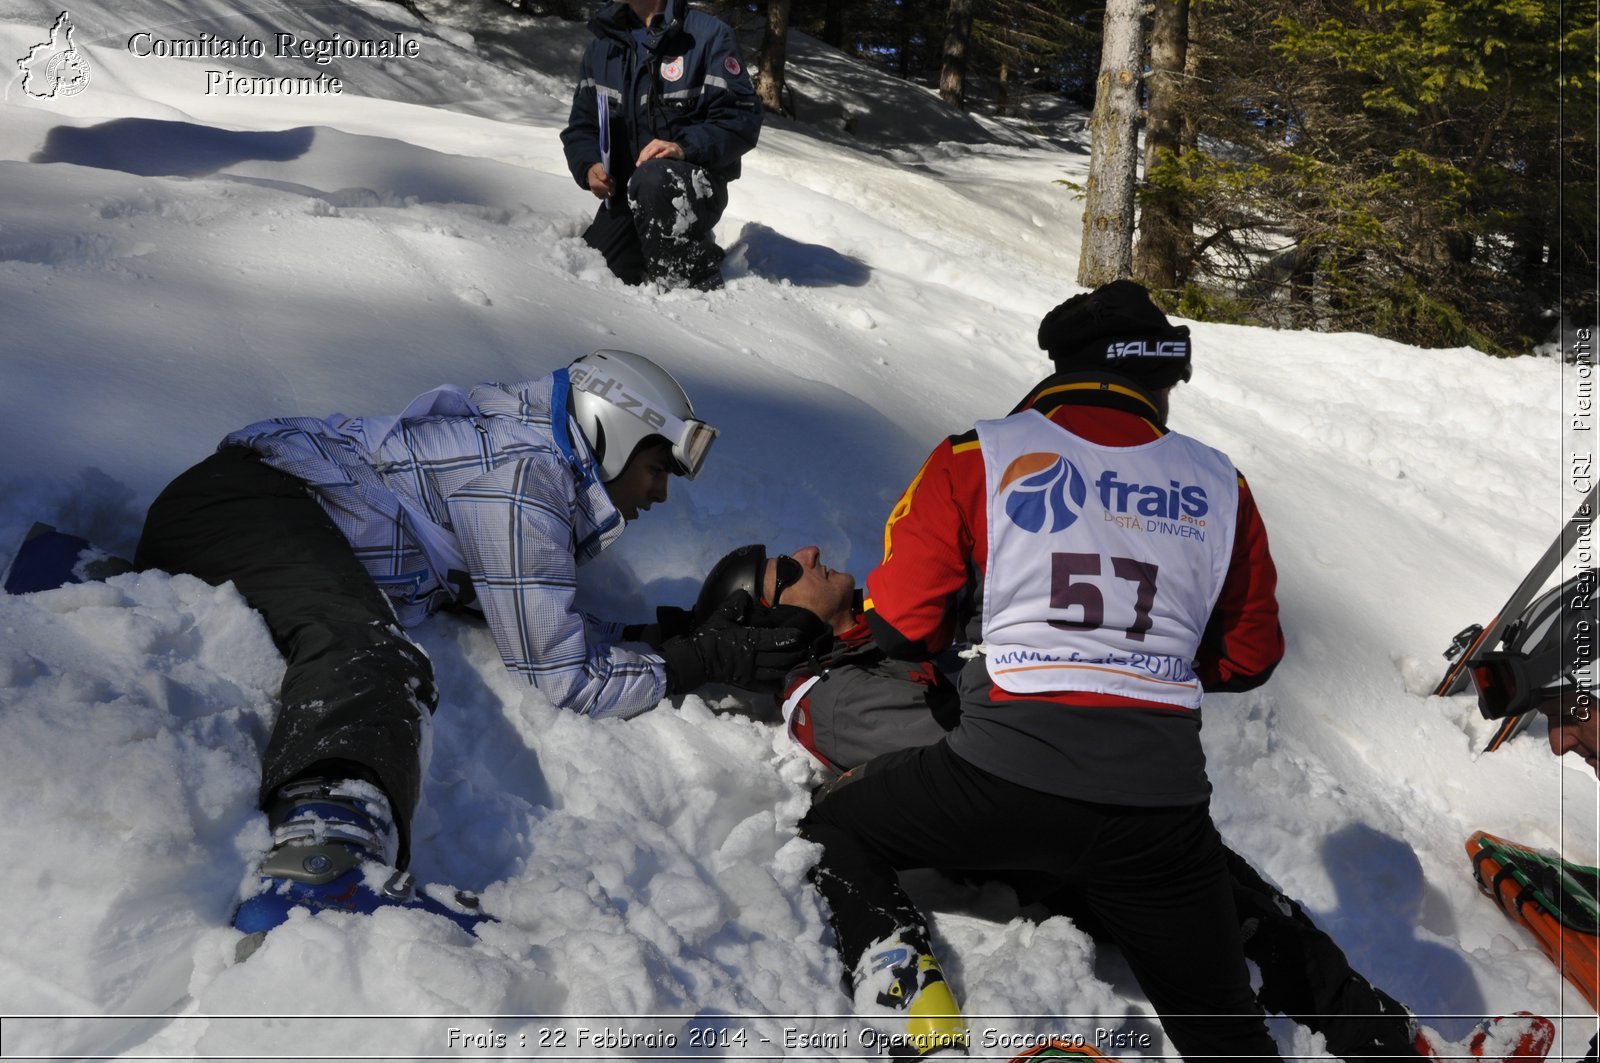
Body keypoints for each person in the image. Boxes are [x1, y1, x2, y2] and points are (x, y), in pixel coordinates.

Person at [135, 349, 813, 957]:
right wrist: (698, 662)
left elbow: (545, 620)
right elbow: (566, 675)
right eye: (657, 467)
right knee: (372, 652)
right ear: (613, 430)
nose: (660, 493)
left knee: (346, 628)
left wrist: (666, 641)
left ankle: (87, 578)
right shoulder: (526, 481)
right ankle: (320, 862)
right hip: (248, 504)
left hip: (235, 511)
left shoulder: (528, 466)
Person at [699, 543, 1452, 1062]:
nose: (806, 555)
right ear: (772, 619)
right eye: (782, 573)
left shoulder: (874, 645)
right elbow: (960, 747)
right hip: (1036, 829)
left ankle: (1382, 1037)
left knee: (1247, 898)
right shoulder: (827, 695)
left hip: (1078, 786)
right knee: (1225, 913)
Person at [791, 280, 1288, 1059]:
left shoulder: (975, 454)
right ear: (1162, 380)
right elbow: (1251, 656)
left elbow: (902, 626)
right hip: (1158, 816)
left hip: (998, 779)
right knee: (1228, 1036)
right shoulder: (1224, 485)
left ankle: (914, 1003)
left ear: (1061, 367)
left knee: (836, 823)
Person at [560, 0, 761, 291]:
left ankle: (693, 290)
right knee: (598, 272)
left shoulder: (708, 36)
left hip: (693, 187)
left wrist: (684, 147)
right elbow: (582, 127)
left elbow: (741, 119)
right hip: (626, 194)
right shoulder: (602, 45)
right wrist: (589, 165)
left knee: (654, 181)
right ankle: (662, 250)